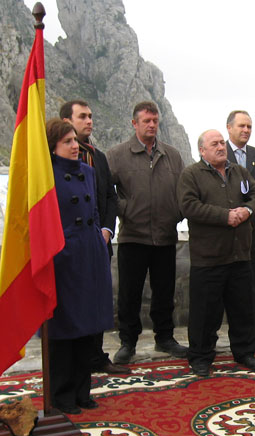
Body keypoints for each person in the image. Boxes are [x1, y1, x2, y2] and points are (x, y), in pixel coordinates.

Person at [177, 129, 255, 376]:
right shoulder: (191, 174)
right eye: (214, 144)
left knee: (243, 308)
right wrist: (225, 216)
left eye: (221, 143)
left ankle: (245, 352)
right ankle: (201, 357)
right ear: (202, 150)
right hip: (209, 258)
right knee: (205, 313)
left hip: (240, 255)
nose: (220, 147)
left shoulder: (239, 171)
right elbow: (188, 206)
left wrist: (247, 211)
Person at [107, 101, 188, 364]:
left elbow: (184, 191)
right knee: (129, 294)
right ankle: (127, 342)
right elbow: (107, 192)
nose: (152, 125)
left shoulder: (173, 155)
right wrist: (125, 209)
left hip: (165, 236)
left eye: (155, 121)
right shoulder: (118, 155)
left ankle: (165, 338)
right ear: (135, 123)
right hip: (133, 237)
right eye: (146, 121)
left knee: (164, 293)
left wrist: (176, 213)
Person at [45, 118, 114, 415]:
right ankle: (61, 395)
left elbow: (96, 210)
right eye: (68, 142)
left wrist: (100, 235)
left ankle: (82, 390)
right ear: (53, 147)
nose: (75, 146)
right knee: (64, 328)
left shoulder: (88, 171)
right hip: (63, 259)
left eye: (75, 140)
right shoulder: (44, 175)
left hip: (89, 255)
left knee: (87, 326)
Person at [59, 99, 129, 375]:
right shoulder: (54, 160)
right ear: (67, 121)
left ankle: (97, 357)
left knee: (98, 300)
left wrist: (107, 229)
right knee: (74, 303)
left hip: (99, 242)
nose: (89, 121)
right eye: (83, 117)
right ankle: (74, 362)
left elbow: (110, 196)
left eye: (90, 117)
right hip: (71, 245)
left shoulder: (98, 157)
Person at [225, 110, 255, 354]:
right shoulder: (218, 151)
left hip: (251, 232)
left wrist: (249, 215)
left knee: (249, 289)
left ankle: (251, 338)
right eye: (241, 126)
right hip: (224, 233)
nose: (246, 130)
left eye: (249, 127)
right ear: (229, 127)